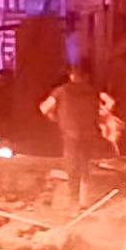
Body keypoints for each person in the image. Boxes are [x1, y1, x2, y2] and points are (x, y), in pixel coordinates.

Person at [41, 66, 111, 209]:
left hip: (71, 134)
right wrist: (103, 113)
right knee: (84, 164)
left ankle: (74, 201)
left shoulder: (61, 91)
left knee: (72, 166)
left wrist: (53, 117)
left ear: (72, 76)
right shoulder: (93, 91)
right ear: (86, 77)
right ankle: (84, 200)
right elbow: (110, 102)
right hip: (88, 133)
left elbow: (44, 108)